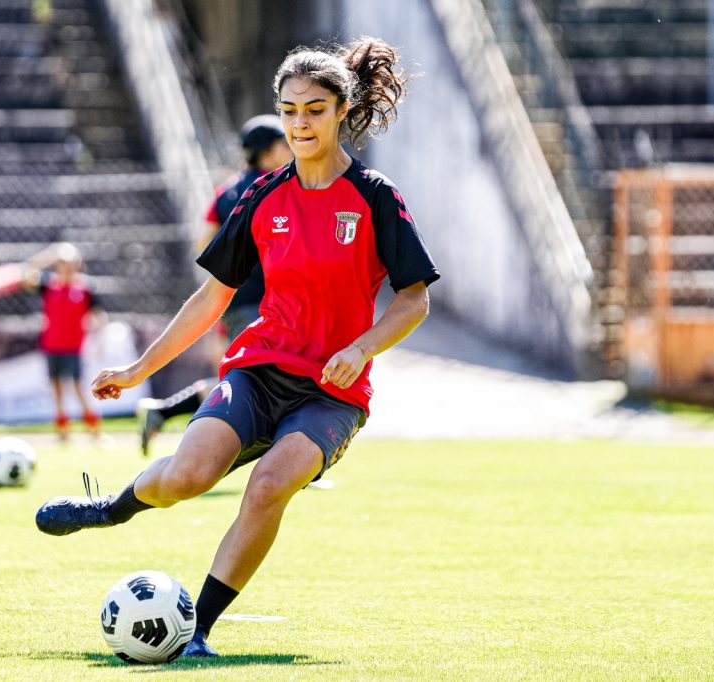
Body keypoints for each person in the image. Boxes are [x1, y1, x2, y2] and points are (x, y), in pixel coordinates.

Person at [36, 37, 440, 657]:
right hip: (258, 369)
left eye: (314, 109)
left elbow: (414, 298)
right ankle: (111, 509)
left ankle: (195, 630)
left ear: (340, 111)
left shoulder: (376, 196)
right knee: (190, 476)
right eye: (289, 110)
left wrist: (361, 349)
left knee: (269, 485)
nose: (300, 123)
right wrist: (140, 368)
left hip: (333, 393)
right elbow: (211, 298)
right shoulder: (261, 196)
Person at [135, 114, 293, 457]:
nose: (292, 145)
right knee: (262, 383)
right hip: (266, 303)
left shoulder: (226, 190)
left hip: (234, 300)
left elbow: (203, 243)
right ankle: (172, 420)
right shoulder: (278, 185)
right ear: (267, 151)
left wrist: (238, 263)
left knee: (259, 380)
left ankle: (166, 413)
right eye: (284, 142)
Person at [22, 242, 105, 441]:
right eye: (62, 263)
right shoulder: (48, 286)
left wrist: (99, 337)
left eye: (71, 264)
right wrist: (49, 255)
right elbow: (25, 274)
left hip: (74, 347)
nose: (67, 268)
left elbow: (98, 316)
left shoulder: (85, 289)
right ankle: (63, 432)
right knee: (57, 389)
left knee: (79, 388)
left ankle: (94, 430)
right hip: (52, 346)